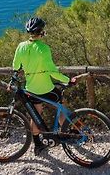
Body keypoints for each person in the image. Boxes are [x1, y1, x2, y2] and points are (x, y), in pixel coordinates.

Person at [12, 17, 75, 155]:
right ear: (41, 32)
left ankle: (38, 144)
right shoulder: (44, 48)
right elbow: (52, 71)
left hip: (32, 89)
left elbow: (16, 66)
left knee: (36, 114)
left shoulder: (21, 46)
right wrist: (67, 80)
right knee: (60, 105)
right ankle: (66, 133)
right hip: (46, 88)